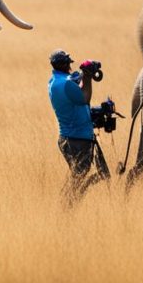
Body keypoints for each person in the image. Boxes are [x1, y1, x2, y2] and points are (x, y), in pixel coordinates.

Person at [47, 49, 109, 204]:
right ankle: (67, 207)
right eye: (68, 63)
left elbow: (74, 90)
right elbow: (85, 98)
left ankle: (68, 205)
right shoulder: (66, 84)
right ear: (64, 64)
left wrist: (82, 76)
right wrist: (87, 77)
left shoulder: (55, 82)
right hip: (78, 139)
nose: (70, 66)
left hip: (67, 138)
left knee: (77, 176)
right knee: (79, 178)